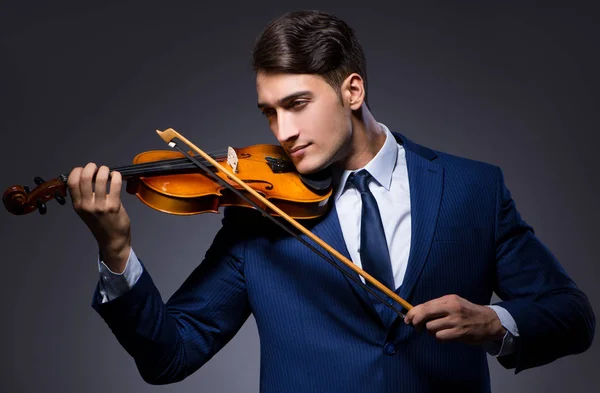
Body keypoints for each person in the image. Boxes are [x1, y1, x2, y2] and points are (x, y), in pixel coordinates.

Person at [67, 10, 595, 392]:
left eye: (297, 104)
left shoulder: (473, 189)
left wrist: (495, 323)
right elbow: (170, 357)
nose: (284, 131)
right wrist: (117, 254)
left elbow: (571, 316)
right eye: (270, 112)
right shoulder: (258, 216)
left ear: (353, 91)